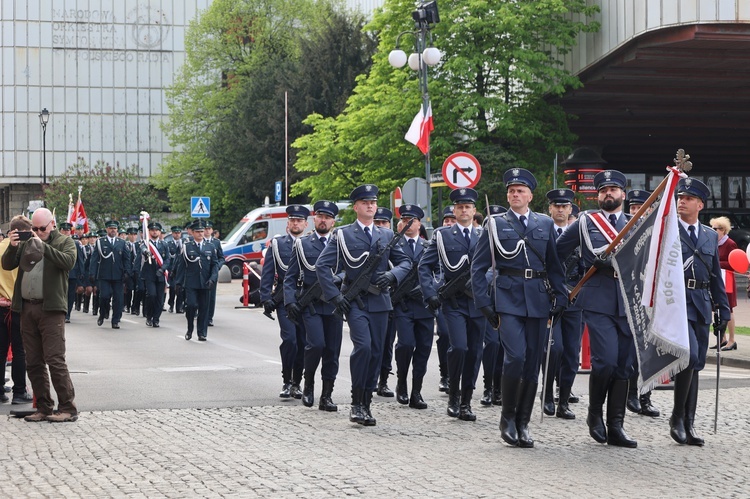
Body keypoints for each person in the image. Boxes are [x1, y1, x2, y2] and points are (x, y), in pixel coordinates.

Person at [472, 171, 566, 448]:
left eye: (520, 191)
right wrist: (484, 303)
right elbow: (478, 268)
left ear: (530, 196)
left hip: (537, 299)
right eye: (511, 190)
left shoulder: (544, 223)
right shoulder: (494, 224)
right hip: (508, 298)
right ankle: (507, 419)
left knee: (533, 361)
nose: (515, 195)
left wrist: (560, 297)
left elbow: (553, 265)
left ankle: (523, 422)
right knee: (515, 356)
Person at [556, 169, 639, 448]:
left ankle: (616, 425)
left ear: (623, 195)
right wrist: (560, 286)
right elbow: (557, 252)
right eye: (603, 190)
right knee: (605, 360)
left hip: (628, 300)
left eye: (613, 190)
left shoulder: (635, 223)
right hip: (598, 298)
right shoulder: (585, 223)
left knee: (624, 365)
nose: (607, 194)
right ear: (598, 195)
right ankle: (594, 414)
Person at [316, 184, 410, 426]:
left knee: (377, 353)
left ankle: (367, 403)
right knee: (364, 348)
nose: (370, 205)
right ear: (356, 207)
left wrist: (392, 275)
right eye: (365, 202)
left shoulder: (386, 235)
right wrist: (334, 296)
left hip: (380, 302)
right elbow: (322, 266)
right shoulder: (343, 234)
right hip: (355, 303)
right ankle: (356, 402)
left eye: (374, 202)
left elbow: (406, 263)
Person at [2, 207, 78, 422]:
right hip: (27, 307)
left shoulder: (64, 242)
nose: (37, 232)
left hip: (51, 309)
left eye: (41, 228)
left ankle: (67, 408)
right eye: (33, 228)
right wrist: (13, 245)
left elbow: (67, 262)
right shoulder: (26, 243)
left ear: (52, 224)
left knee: (55, 360)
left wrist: (42, 245)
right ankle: (44, 407)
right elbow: (8, 265)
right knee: (33, 361)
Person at [671, 178, 730, 446]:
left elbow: (716, 274)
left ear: (700, 204)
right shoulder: (669, 230)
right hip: (677, 301)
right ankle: (676, 417)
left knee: (696, 364)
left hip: (702, 302)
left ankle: (688, 422)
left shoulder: (708, 235)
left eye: (688, 198)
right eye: (679, 197)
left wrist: (724, 309)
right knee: (690, 355)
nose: (682, 201)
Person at [420, 188, 484, 422]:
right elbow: (425, 266)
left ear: (474, 211)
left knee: (475, 352)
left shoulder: (484, 236)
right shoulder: (442, 235)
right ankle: (454, 394)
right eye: (460, 207)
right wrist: (430, 293)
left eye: (468, 207)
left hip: (478, 303)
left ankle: (466, 401)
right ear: (454, 211)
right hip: (454, 303)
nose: (464, 210)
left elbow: (493, 269)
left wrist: (481, 285)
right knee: (459, 347)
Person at [283, 200, 343, 411]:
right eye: (320, 216)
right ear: (314, 219)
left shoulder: (341, 244)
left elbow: (349, 270)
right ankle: (308, 385)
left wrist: (338, 279)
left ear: (333, 222)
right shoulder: (303, 244)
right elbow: (289, 277)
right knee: (316, 344)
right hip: (311, 305)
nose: (323, 220)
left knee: (332, 351)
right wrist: (290, 300)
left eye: (327, 217)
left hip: (334, 304)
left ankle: (327, 395)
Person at [541, 188, 584, 420]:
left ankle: (564, 400)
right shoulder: (542, 231)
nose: (559, 209)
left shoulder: (578, 234)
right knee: (552, 349)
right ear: (550, 209)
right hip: (549, 299)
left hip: (573, 300)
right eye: (556, 206)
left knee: (570, 353)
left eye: (564, 206)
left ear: (570, 209)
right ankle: (547, 394)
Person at [260, 205, 309, 398]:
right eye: (292, 220)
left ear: (306, 223)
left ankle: (297, 382)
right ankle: (286, 380)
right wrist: (266, 298)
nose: (295, 223)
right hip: (284, 298)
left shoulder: (311, 243)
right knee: (290, 340)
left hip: (306, 299)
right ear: (288, 223)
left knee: (304, 341)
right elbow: (268, 272)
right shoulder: (278, 244)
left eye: (299, 221)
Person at [392, 204, 434, 409]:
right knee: (406, 344)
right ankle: (401, 382)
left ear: (419, 223)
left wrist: (429, 288)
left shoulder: (428, 246)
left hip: (424, 305)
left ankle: (416, 390)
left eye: (412, 220)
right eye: (404, 220)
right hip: (403, 304)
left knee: (424, 348)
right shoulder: (394, 245)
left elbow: (441, 271)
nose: (407, 223)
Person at [623, 189, 660, 418]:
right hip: (629, 299)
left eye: (640, 208)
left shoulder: (655, 233)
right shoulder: (622, 234)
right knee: (629, 354)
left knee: (650, 352)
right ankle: (630, 394)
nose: (635, 212)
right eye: (632, 208)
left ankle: (645, 397)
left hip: (650, 300)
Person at [0, 216, 33, 405]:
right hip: (18, 306)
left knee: (1, 350)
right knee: (20, 351)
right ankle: (19, 391)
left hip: (1, 305)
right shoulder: (24, 250)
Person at [176, 220, 219, 341]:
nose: (201, 233)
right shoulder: (187, 246)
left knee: (204, 308)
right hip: (191, 282)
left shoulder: (210, 246)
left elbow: (214, 265)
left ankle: (202, 332)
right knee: (191, 305)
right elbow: (181, 265)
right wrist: (178, 282)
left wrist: (213, 279)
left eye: (202, 231)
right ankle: (190, 328)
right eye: (198, 232)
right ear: (192, 233)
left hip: (205, 283)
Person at [89, 221, 132, 329]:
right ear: (107, 229)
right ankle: (103, 313)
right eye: (110, 228)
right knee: (104, 297)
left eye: (115, 228)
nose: (113, 230)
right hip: (104, 275)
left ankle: (115, 320)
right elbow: (94, 259)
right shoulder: (100, 242)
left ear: (117, 230)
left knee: (118, 299)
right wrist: (92, 273)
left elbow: (126, 259)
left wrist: (127, 272)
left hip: (118, 275)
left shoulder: (122, 243)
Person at [372, 207, 396, 398]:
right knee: (372, 342)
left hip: (395, 300)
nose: (380, 226)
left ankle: (384, 380)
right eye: (377, 222)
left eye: (383, 223)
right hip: (376, 299)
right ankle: (370, 379)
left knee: (387, 342)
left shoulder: (394, 243)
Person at [435, 206, 456, 393]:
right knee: (444, 335)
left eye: (452, 220)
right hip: (444, 295)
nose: (448, 223)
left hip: (465, 296)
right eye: (446, 220)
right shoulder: (439, 239)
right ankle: (445, 375)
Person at [711, 216, 738, 351]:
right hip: (717, 279)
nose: (712, 230)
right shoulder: (713, 242)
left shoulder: (730, 243)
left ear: (723, 230)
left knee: (729, 309)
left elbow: (734, 263)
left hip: (727, 280)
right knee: (717, 309)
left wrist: (716, 264)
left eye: (715, 228)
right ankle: (722, 338)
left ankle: (732, 340)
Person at [139, 221, 171, 328]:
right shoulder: (146, 244)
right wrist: (146, 252)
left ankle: (156, 319)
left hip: (160, 274)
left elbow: (167, 259)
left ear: (160, 232)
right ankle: (149, 316)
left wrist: (162, 270)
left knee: (159, 299)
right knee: (151, 295)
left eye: (156, 230)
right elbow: (142, 249)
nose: (155, 232)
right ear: (149, 232)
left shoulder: (164, 244)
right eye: (152, 230)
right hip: (149, 274)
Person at [204, 221, 224, 327]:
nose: (207, 230)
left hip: (213, 272)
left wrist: (218, 266)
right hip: (201, 272)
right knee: (201, 295)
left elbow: (221, 257)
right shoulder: (200, 241)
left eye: (209, 229)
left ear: (212, 230)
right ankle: (201, 314)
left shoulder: (216, 242)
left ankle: (209, 317)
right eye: (205, 229)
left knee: (211, 297)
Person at [167, 226, 185, 314]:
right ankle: (171, 304)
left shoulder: (184, 244)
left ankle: (179, 307)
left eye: (178, 233)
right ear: (172, 234)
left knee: (181, 289)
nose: (177, 234)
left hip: (181, 270)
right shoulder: (169, 244)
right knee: (172, 288)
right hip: (171, 270)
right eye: (175, 233)